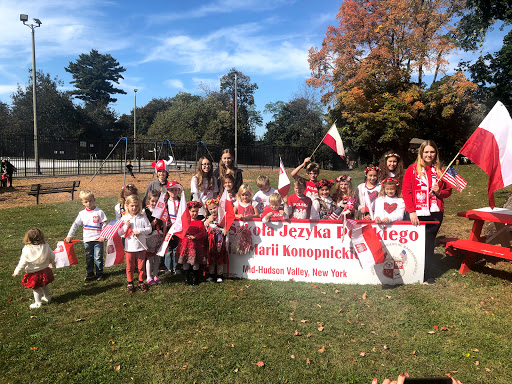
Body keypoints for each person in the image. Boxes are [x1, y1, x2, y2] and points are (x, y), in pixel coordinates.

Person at [402, 140, 452, 279]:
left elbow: (448, 191)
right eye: (426, 152)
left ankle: (425, 274)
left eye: (432, 152)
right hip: (415, 213)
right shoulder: (412, 169)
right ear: (421, 153)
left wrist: (439, 191)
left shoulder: (441, 171)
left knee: (429, 243)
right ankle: (410, 272)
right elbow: (406, 192)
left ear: (436, 153)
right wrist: (411, 212)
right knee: (414, 244)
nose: (429, 155)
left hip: (435, 213)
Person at [65, 190, 107, 281]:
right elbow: (75, 225)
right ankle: (90, 273)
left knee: (98, 257)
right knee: (89, 256)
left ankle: (99, 273)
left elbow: (104, 225)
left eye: (90, 201)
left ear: (94, 200)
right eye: (86, 201)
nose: (88, 203)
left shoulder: (99, 212)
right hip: (87, 240)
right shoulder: (82, 213)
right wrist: (69, 236)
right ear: (82, 202)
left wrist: (103, 235)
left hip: (98, 239)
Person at [13, 228, 55, 309]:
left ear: (28, 238)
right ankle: (47, 297)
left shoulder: (27, 249)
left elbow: (22, 262)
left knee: (35, 288)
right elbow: (52, 255)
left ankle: (38, 303)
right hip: (45, 270)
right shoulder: (45, 246)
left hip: (34, 273)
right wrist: (52, 261)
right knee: (44, 285)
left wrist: (17, 272)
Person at [123, 194, 152, 293]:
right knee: (130, 266)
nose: (134, 208)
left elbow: (149, 229)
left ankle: (141, 281)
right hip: (129, 247)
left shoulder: (142, 217)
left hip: (141, 246)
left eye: (136, 206)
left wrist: (140, 231)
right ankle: (130, 282)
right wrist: (126, 227)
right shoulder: (125, 218)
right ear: (127, 206)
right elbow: (120, 233)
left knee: (141, 265)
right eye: (132, 206)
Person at [176, 201, 207, 286]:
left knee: (195, 262)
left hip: (196, 246)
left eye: (196, 211)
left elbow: (202, 233)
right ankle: (187, 278)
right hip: (186, 245)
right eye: (193, 211)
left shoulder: (199, 222)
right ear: (188, 211)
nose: (195, 213)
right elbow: (180, 230)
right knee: (186, 262)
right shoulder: (185, 222)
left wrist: (195, 236)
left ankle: (195, 279)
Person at [144, 190, 166, 286]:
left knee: (157, 257)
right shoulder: (145, 212)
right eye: (152, 201)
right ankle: (149, 277)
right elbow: (144, 224)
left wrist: (164, 235)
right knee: (149, 257)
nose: (154, 203)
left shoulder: (162, 211)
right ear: (149, 200)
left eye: (156, 202)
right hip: (150, 237)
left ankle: (155, 275)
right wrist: (151, 224)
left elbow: (164, 224)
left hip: (159, 236)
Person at [204, 198, 228, 283]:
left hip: (219, 241)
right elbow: (204, 227)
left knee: (219, 257)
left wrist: (225, 229)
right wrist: (208, 221)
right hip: (210, 242)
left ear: (218, 207)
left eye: (214, 208)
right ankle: (211, 274)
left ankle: (219, 274)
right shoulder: (207, 218)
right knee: (211, 257)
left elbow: (226, 226)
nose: (213, 210)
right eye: (210, 209)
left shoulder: (221, 217)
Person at [165, 181, 183, 274]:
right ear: (168, 191)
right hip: (168, 228)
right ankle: (168, 268)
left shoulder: (181, 202)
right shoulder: (165, 202)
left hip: (178, 227)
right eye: (171, 190)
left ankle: (177, 267)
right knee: (168, 249)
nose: (173, 192)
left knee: (177, 248)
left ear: (178, 191)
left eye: (175, 190)